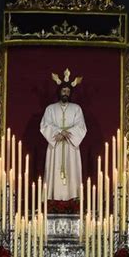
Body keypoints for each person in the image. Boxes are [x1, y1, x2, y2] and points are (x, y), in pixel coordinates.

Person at [40, 69, 86, 201]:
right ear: (59, 92)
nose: (65, 93)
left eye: (68, 91)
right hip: (55, 145)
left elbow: (81, 126)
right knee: (54, 171)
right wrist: (57, 133)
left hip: (71, 146)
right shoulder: (50, 108)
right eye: (63, 91)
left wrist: (66, 133)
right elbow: (45, 125)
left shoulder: (76, 108)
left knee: (72, 171)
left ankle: (73, 198)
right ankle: (52, 198)